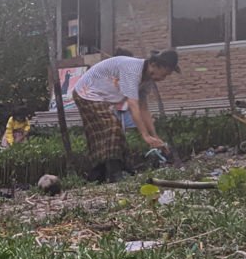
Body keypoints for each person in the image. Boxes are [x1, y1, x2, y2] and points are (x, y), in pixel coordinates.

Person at [71, 50, 180, 182]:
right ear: (154, 64)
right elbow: (133, 105)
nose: (164, 78)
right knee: (112, 127)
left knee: (101, 136)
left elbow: (143, 108)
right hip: (86, 92)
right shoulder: (133, 69)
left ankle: (96, 176)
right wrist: (145, 136)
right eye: (165, 73)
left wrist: (154, 136)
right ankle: (114, 174)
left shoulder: (147, 80)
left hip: (99, 97)